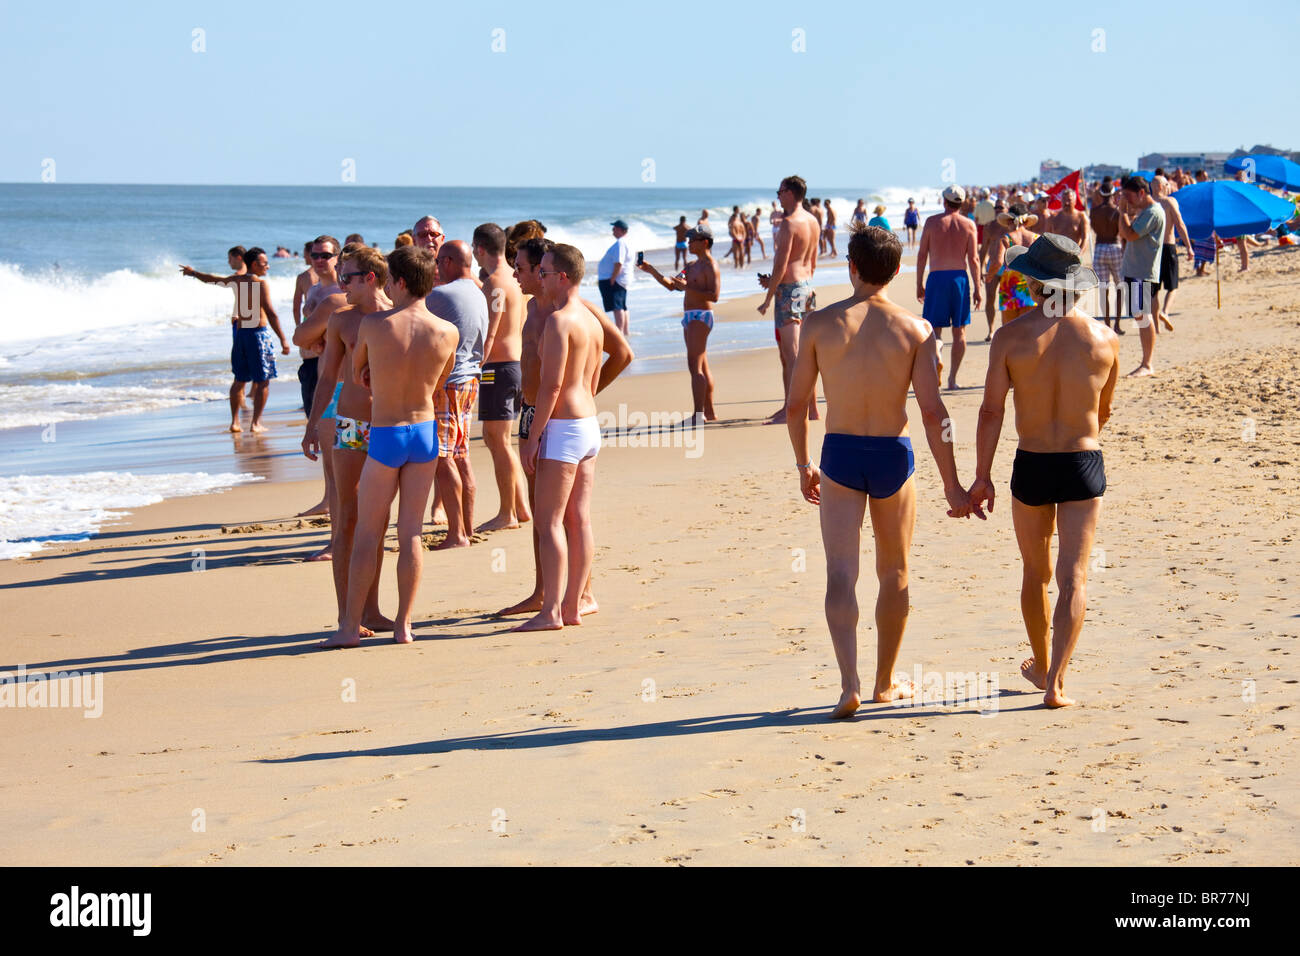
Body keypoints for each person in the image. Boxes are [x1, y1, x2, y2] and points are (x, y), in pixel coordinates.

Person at [786, 224, 976, 719]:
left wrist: (804, 463)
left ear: (851, 267)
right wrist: (954, 485)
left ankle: (848, 683)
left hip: (840, 454)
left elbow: (795, 405)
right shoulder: (916, 330)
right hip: (893, 452)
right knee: (894, 570)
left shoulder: (819, 325)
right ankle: (884, 683)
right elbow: (935, 414)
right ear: (896, 271)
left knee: (840, 574)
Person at [969, 234, 1119, 708]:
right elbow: (1105, 410)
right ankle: (1056, 680)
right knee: (1074, 576)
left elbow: (991, 412)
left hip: (1031, 462)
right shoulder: (1105, 340)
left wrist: (981, 475)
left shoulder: (1010, 338)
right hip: (1082, 462)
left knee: (1036, 573)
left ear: (1034, 283)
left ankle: (1038, 660)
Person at [321, 246, 458, 649]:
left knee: (367, 533)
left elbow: (358, 372)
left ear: (397, 281)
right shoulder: (447, 331)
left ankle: (349, 628)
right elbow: (441, 380)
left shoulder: (375, 326)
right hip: (424, 432)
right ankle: (404, 626)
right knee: (411, 533)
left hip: (385, 433)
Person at [497, 236, 633, 619]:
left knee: (555, 517)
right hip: (538, 414)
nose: (517, 274)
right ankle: (547, 594)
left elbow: (622, 354)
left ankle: (574, 598)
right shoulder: (533, 308)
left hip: (558, 419)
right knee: (554, 515)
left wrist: (586, 392)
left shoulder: (573, 312)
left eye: (523, 268)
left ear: (550, 274)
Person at [301, 246, 394, 637]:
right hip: (352, 426)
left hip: (392, 426)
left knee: (379, 521)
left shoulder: (398, 314)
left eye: (347, 277)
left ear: (370, 277)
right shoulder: (341, 319)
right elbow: (327, 378)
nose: (340, 285)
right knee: (347, 519)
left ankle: (370, 610)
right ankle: (346, 614)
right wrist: (311, 424)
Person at [515, 244, 606, 632]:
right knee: (579, 520)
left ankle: (550, 610)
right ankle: (572, 605)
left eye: (547, 272)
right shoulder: (591, 319)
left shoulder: (558, 321)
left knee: (550, 521)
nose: (541, 277)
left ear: (563, 277)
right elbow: (593, 376)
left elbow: (550, 387)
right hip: (588, 424)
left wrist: (534, 438)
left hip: (563, 427)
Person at [180, 247, 290, 433]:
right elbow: (271, 313)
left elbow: (212, 280)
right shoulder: (260, 284)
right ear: (254, 264)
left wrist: (193, 273)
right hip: (257, 335)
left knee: (239, 380)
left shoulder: (237, 280)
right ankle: (255, 423)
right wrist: (283, 340)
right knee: (263, 382)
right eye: (265, 263)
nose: (268, 267)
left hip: (241, 336)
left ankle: (235, 422)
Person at [425, 240, 488, 548]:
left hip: (449, 382)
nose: (437, 268)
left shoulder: (441, 295)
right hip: (469, 380)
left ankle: (457, 533)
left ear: (448, 262)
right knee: (461, 456)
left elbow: (411, 324)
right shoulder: (477, 291)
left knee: (442, 457)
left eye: (439, 263)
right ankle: (467, 527)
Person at [473, 223, 531, 532]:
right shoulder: (514, 277)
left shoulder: (494, 283)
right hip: (515, 364)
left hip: (499, 367)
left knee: (496, 439)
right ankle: (520, 507)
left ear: (480, 249)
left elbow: (490, 330)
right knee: (501, 440)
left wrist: (474, 366)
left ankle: (507, 512)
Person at [293, 236, 348, 531]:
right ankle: (328, 498)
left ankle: (336, 505)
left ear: (337, 257)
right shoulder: (312, 287)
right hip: (313, 361)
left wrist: (314, 338)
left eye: (325, 255)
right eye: (314, 254)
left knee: (336, 443)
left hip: (335, 371)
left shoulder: (342, 290)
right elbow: (302, 328)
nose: (318, 259)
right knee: (323, 436)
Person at [639, 224, 720, 423]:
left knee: (695, 367)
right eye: (689, 239)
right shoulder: (692, 265)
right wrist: (652, 271)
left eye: (693, 240)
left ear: (705, 242)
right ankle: (708, 412)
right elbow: (672, 286)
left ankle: (698, 415)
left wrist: (688, 289)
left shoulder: (711, 265)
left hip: (701, 316)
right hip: (689, 316)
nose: (689, 243)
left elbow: (714, 296)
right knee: (703, 366)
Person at [758, 175, 821, 425]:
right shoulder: (813, 221)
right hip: (806, 287)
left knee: (791, 354)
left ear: (791, 193)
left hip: (789, 290)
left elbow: (782, 264)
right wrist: (780, 281)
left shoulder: (789, 223)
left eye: (780, 191)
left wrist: (768, 297)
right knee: (802, 352)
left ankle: (793, 410)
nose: (778, 195)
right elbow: (812, 260)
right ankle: (810, 408)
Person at [916, 185, 981, 390]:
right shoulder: (969, 224)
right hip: (959, 279)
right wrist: (978, 288)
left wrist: (919, 283)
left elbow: (922, 254)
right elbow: (974, 259)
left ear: (944, 201)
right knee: (959, 331)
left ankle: (936, 358)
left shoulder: (932, 222)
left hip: (937, 277)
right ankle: (952, 379)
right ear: (961, 203)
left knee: (934, 330)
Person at [1117, 175, 1165, 377]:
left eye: (1128, 196)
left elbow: (1128, 235)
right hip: (1137, 270)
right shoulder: (1146, 211)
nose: (1126, 200)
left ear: (1141, 193)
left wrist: (1122, 212)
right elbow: (1126, 234)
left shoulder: (1152, 212)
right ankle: (1146, 362)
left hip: (1142, 271)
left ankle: (1147, 363)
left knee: (1143, 316)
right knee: (1140, 315)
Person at [1151, 175, 1194, 328]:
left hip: (1151, 250)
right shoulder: (1169, 202)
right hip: (1168, 246)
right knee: (1172, 286)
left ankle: (1156, 326)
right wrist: (1189, 247)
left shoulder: (1147, 204)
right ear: (1162, 186)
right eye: (1167, 184)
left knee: (1154, 291)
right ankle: (1165, 311)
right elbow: (1180, 224)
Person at [987, 203, 1040, 325]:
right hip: (1031, 286)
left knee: (1009, 330)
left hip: (1010, 287)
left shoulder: (1006, 238)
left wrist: (989, 276)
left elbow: (998, 262)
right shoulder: (1036, 238)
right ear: (1026, 222)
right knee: (1031, 331)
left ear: (1010, 221)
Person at [1089, 182, 1124, 333]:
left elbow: (1094, 228)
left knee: (1103, 289)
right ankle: (1117, 324)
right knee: (1120, 287)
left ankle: (1108, 325)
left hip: (1100, 247)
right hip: (1115, 246)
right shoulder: (1117, 211)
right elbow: (1121, 231)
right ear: (1113, 193)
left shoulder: (1094, 211)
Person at [596, 219, 633, 335]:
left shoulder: (621, 243)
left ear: (621, 230)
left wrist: (612, 278)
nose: (612, 230)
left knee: (617, 307)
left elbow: (619, 262)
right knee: (622, 306)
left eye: (615, 228)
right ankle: (625, 331)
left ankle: (620, 332)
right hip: (621, 279)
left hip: (615, 279)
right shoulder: (627, 242)